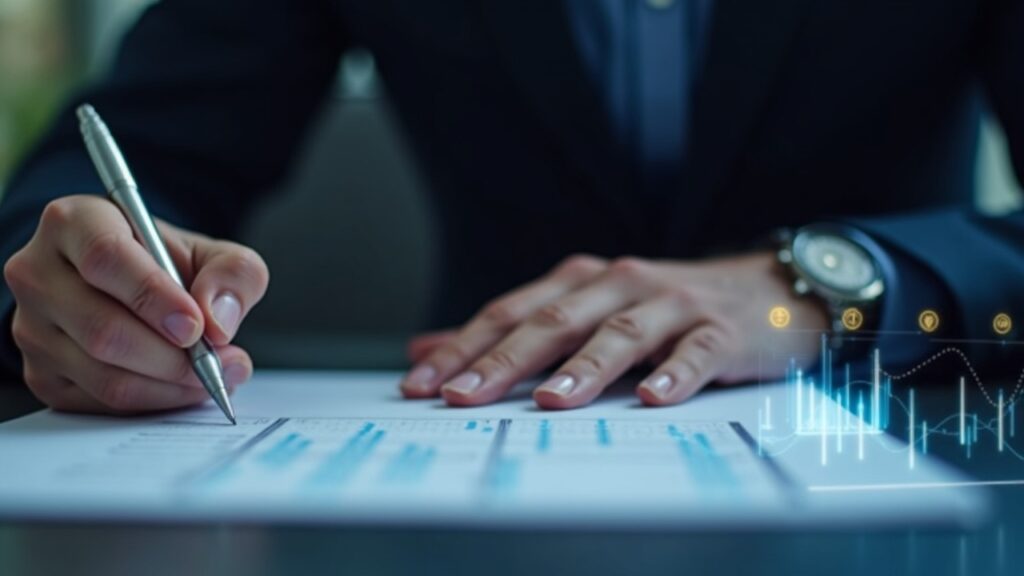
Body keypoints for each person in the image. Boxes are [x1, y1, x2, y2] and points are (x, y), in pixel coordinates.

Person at [0, 0, 1022, 414]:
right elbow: (109, 171)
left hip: (895, 446)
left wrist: (825, 282)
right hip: (476, 457)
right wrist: (85, 280)